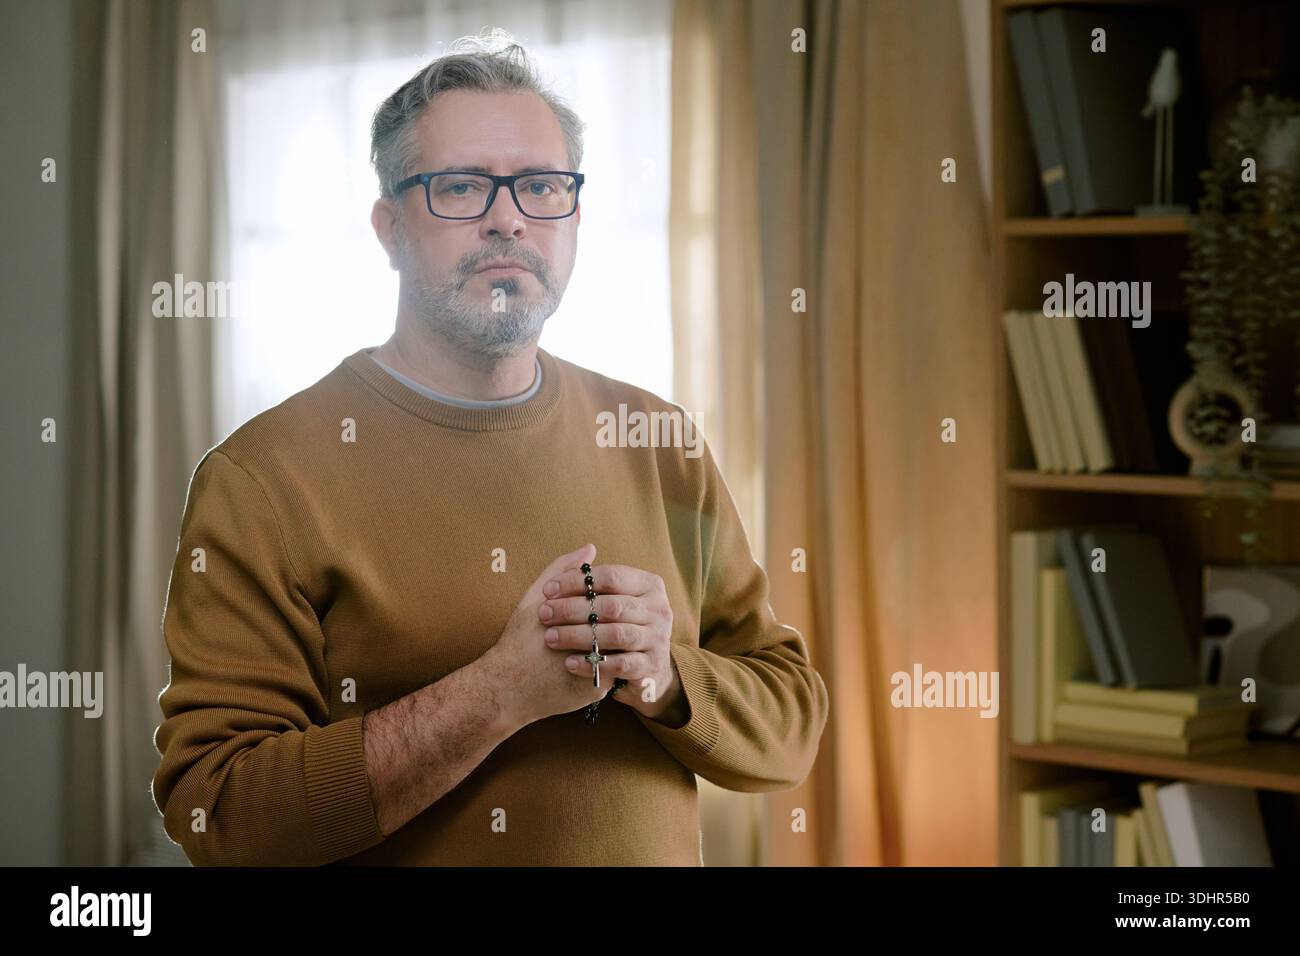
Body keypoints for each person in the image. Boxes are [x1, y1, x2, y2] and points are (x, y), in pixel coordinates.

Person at [151, 35, 829, 866]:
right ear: (389, 226)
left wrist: (665, 676)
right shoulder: (261, 479)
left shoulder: (659, 440)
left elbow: (791, 727)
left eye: (541, 186)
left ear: (572, 218)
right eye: (463, 187)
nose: (507, 217)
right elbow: (217, 814)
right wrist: (498, 695)